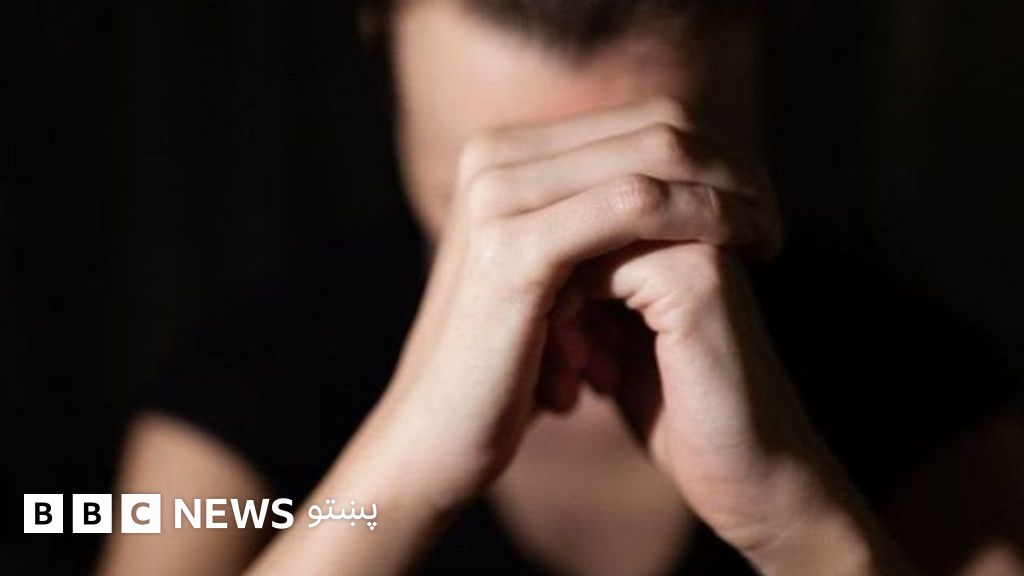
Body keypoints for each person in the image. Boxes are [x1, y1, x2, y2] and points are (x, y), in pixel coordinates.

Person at [99, 1, 1024, 574]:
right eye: (490, 205)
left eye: (654, 199)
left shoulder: (924, 383)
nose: (570, 276)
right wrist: (402, 475)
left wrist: (796, 521)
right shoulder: (248, 379)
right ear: (376, 29)